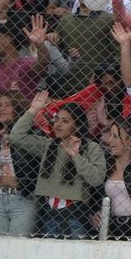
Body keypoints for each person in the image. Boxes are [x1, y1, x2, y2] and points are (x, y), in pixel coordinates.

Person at [11, 91, 107, 238]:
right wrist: (33, 110)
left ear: (78, 125)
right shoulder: (48, 145)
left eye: (66, 121)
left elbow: (97, 179)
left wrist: (76, 156)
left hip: (76, 214)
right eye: (57, 120)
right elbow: (16, 136)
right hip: (48, 212)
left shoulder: (91, 147)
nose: (58, 124)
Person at [0, 92, 38, 236]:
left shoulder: (31, 134)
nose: (1, 109)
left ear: (17, 108)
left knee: (18, 247)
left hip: (23, 198)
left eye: (7, 105)